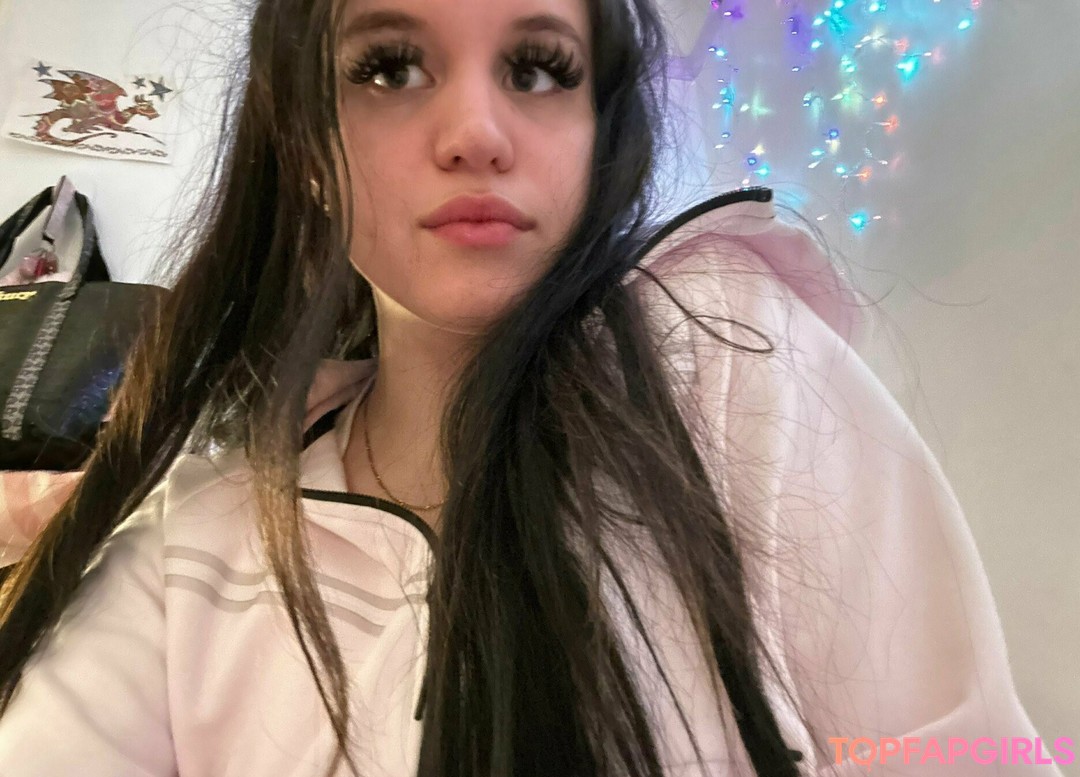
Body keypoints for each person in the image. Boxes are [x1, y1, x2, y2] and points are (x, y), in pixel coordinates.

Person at [0, 0, 1066, 775]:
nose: (475, 133)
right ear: (308, 150)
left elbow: (962, 752)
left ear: (601, 138)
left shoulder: (735, 359)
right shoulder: (197, 544)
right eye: (389, 66)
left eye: (541, 67)